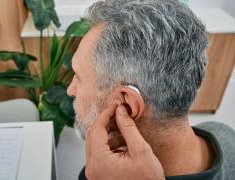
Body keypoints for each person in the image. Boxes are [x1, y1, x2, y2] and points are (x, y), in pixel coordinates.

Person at [66, 0, 235, 179]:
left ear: (127, 106)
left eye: (79, 76)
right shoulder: (223, 133)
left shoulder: (98, 174)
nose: (70, 90)